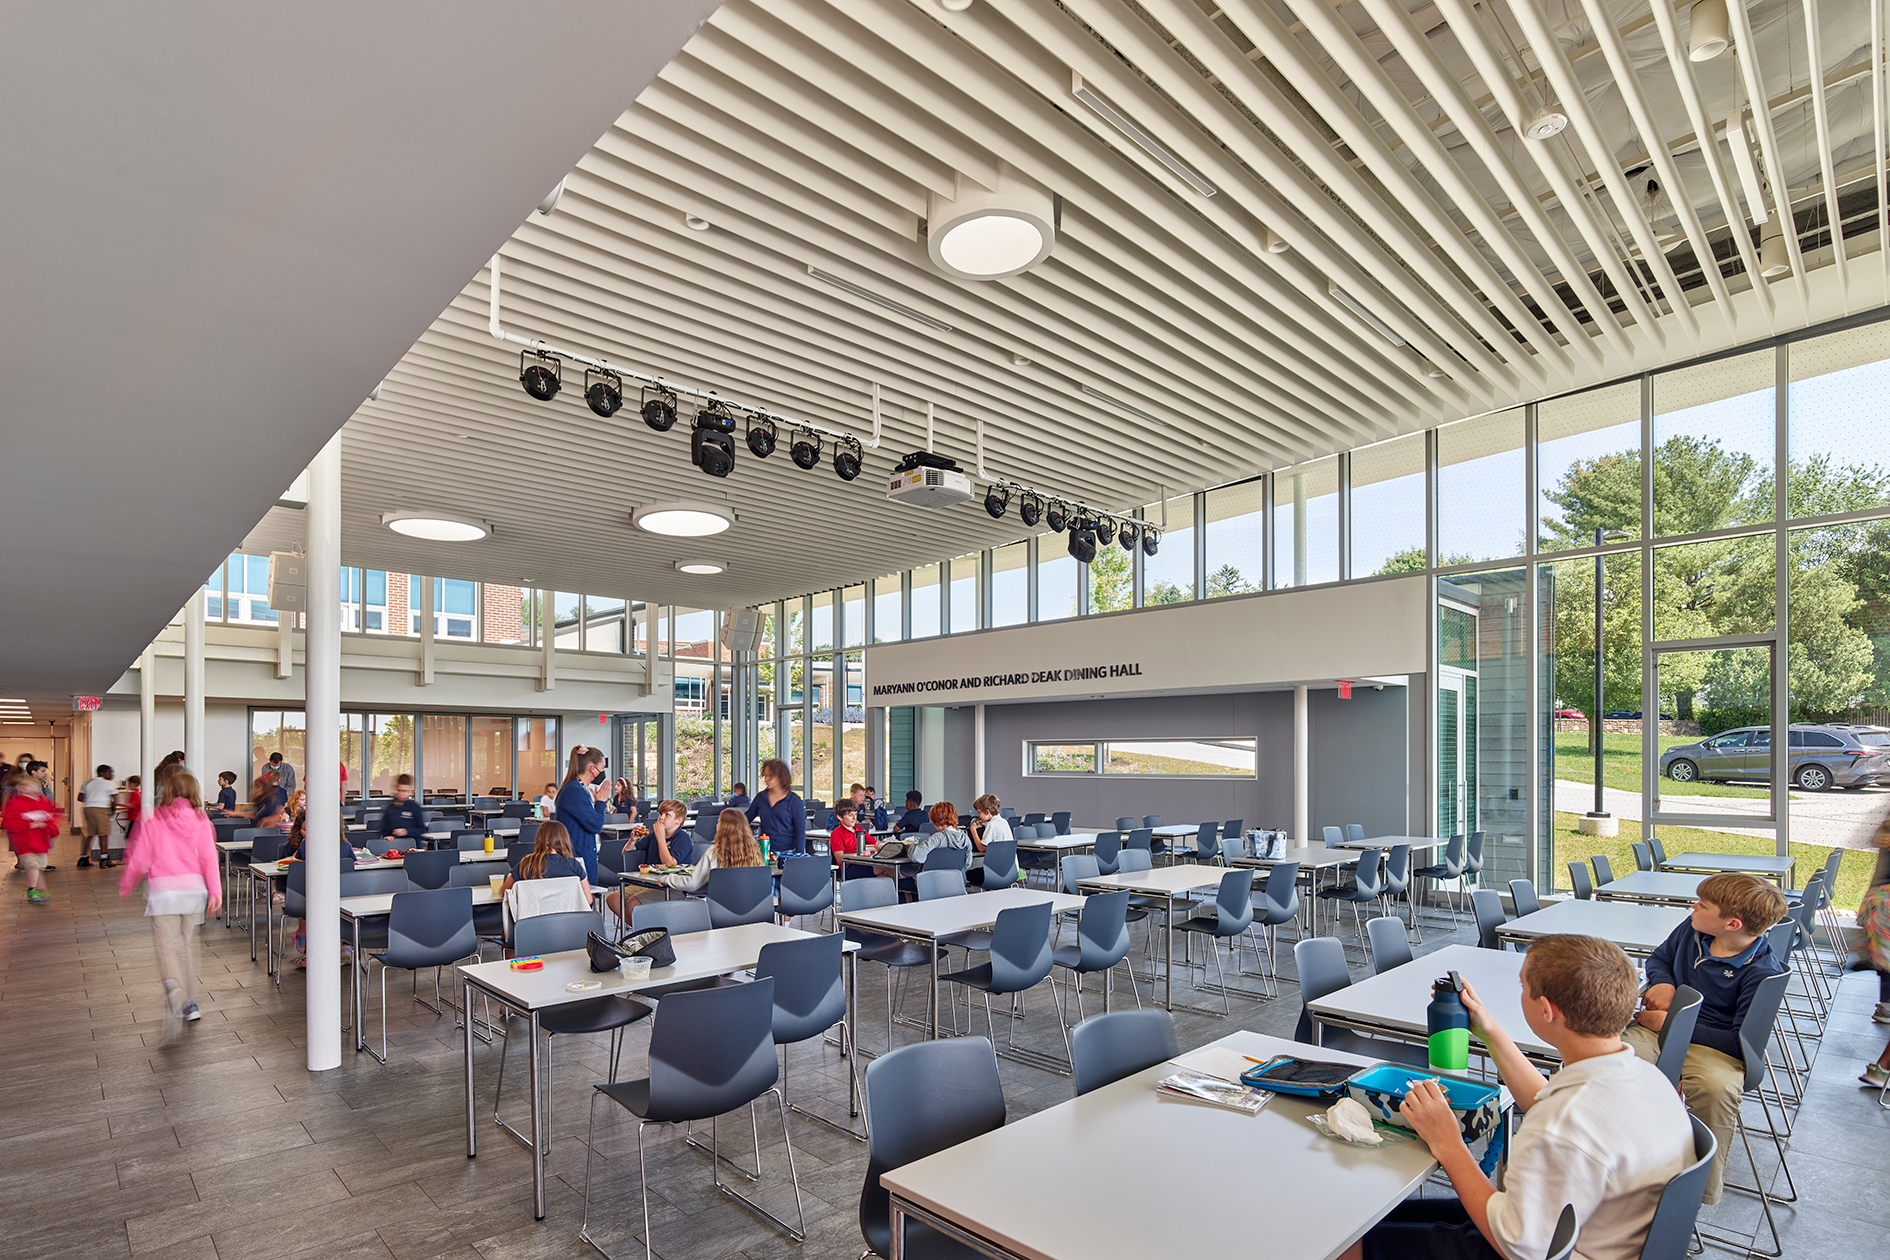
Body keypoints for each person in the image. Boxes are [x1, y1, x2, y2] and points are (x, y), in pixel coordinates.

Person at [1344, 934, 1692, 1260]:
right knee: (1372, 1219)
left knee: (1349, 1243)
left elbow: (1513, 1245)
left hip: (1543, 1247)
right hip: (1584, 1228)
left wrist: (1448, 1142)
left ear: (1546, 1009)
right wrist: (1489, 1030)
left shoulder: (1561, 1125)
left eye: (1523, 987)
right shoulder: (1645, 1077)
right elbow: (1547, 1103)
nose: (1520, 992)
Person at [1622, 872, 1788, 1205]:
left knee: (1716, 1090)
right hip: (1661, 1029)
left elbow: (1739, 1041)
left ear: (1732, 924)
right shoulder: (1694, 928)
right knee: (1619, 1062)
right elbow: (1661, 958)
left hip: (1714, 1046)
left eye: (1703, 904)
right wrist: (1662, 982)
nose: (1693, 906)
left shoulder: (1762, 972)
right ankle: (1622, 1164)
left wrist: (1671, 1024)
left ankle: (1695, 1195)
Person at [118, 770, 221, 1040]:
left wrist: (127, 882)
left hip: (164, 891)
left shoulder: (154, 819)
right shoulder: (201, 819)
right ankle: (190, 1003)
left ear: (168, 791)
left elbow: (140, 857)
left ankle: (176, 995)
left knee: (167, 949)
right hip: (193, 890)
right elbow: (210, 858)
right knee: (186, 946)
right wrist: (215, 891)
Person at [621, 808, 762, 910]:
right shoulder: (754, 852)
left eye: (719, 822)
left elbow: (693, 883)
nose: (716, 825)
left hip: (719, 909)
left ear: (725, 828)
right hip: (752, 909)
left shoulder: (715, 852)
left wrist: (666, 879)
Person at [603, 800, 687, 922]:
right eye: (660, 814)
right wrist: (632, 840)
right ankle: (641, 930)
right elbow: (626, 854)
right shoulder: (652, 836)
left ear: (678, 820)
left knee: (634, 903)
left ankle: (646, 932)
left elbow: (669, 864)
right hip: (648, 882)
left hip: (671, 886)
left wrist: (661, 838)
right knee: (613, 899)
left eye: (667, 815)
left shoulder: (683, 838)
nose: (661, 818)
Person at [554, 745, 614, 883]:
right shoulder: (574, 790)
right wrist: (600, 802)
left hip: (581, 854)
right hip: (577, 856)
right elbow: (595, 825)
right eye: (602, 768)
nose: (603, 772)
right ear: (593, 769)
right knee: (584, 901)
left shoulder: (578, 788)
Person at [3, 770, 60, 904]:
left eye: (34, 787)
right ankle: (32, 890)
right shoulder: (16, 804)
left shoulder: (43, 802)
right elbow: (8, 823)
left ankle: (32, 887)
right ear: (21, 788)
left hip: (40, 842)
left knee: (38, 867)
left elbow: (52, 817)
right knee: (33, 866)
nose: (32, 790)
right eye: (27, 787)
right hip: (23, 842)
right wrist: (30, 825)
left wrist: (52, 831)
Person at [501, 820, 593, 900]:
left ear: (539, 839)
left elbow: (504, 891)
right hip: (566, 918)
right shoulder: (574, 865)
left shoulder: (527, 864)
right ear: (565, 840)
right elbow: (588, 900)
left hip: (534, 918)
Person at [744, 758, 807, 858]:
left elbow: (800, 830)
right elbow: (745, 819)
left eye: (770, 776)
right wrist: (725, 833)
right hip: (765, 852)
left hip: (789, 852)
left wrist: (798, 855)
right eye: (765, 775)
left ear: (781, 777)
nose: (766, 779)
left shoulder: (794, 800)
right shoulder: (760, 797)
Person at [966, 794, 1014, 888]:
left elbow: (981, 848)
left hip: (993, 873)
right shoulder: (1004, 822)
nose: (977, 815)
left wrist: (973, 829)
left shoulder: (991, 825)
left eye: (979, 812)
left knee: (967, 874)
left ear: (987, 812)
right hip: (1009, 871)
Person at [79, 764, 116, 868]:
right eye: (109, 772)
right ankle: (104, 859)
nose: (111, 775)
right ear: (102, 773)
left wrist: (91, 799)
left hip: (88, 809)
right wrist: (112, 809)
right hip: (102, 809)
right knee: (103, 834)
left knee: (89, 833)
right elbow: (115, 799)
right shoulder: (109, 784)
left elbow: (80, 797)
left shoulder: (87, 783)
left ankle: (83, 857)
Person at [828, 800, 872, 881]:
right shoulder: (836, 833)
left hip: (864, 863)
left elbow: (875, 843)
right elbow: (840, 859)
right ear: (840, 817)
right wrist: (860, 856)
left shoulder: (860, 829)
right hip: (849, 868)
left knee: (885, 875)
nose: (854, 818)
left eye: (855, 814)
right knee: (886, 869)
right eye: (850, 815)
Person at [377, 773, 427, 845]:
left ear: (411, 792)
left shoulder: (415, 807)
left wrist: (407, 831)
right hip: (394, 846)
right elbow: (384, 830)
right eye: (400, 790)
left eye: (405, 791)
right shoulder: (390, 808)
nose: (402, 793)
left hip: (412, 845)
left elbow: (422, 829)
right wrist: (387, 836)